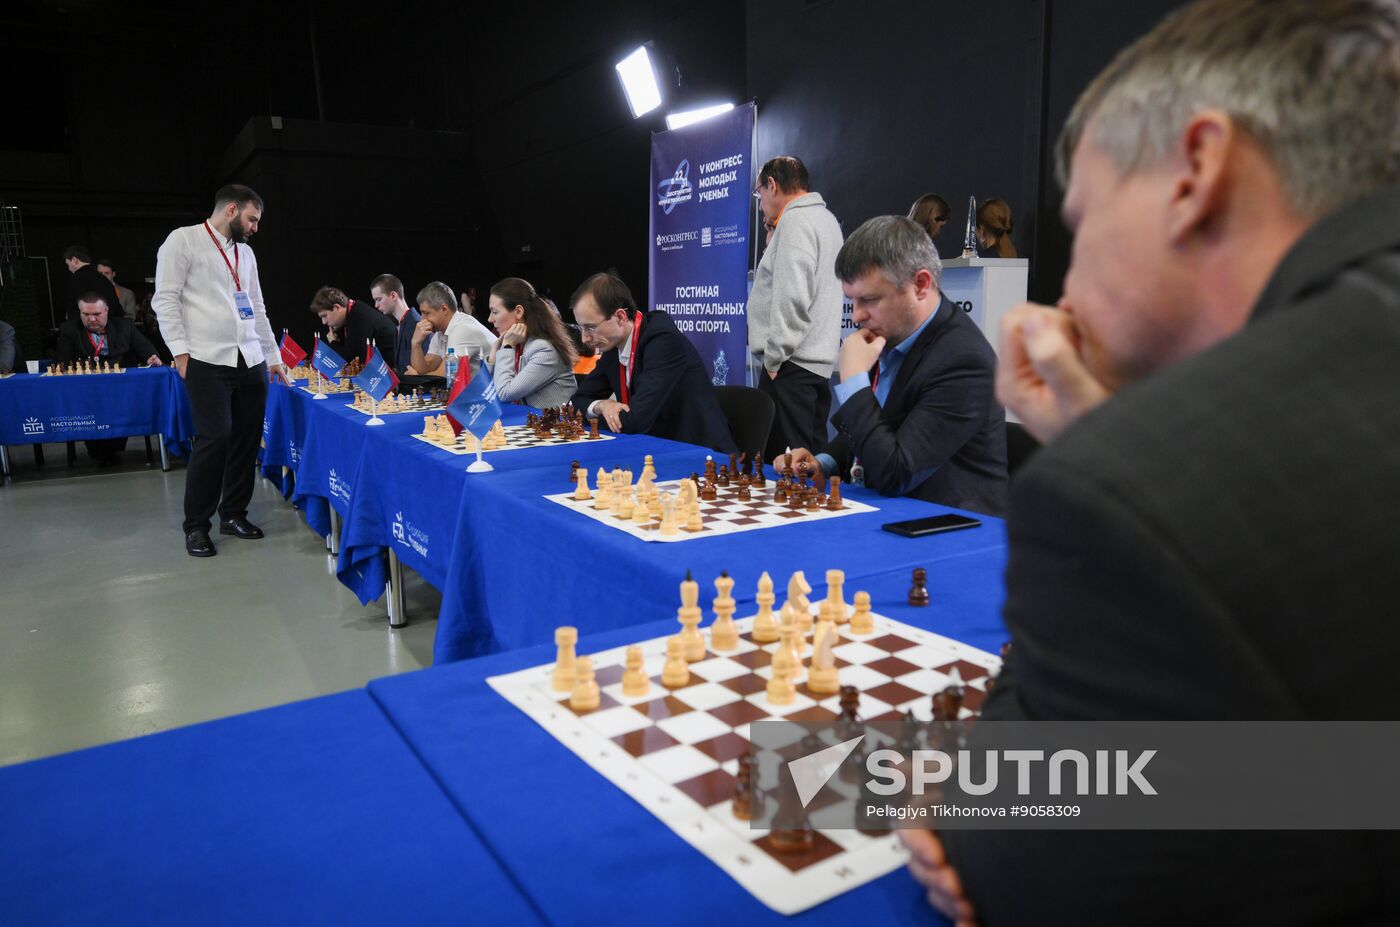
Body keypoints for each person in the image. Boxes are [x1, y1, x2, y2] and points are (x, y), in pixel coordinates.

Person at [906, 1, 1400, 924]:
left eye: (1083, 221)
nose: (1066, 286)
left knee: (800, 774)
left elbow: (1018, 862)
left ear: (1195, 173)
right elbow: (1365, 774)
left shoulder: (1149, 483)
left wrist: (1103, 451)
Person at [775, 217, 1007, 514]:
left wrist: (853, 381)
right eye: (852, 300)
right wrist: (823, 463)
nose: (856, 315)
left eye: (869, 300)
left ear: (920, 285)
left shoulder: (964, 362)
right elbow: (874, 430)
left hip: (947, 528)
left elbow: (895, 473)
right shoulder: (893, 333)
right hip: (891, 516)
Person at [152, 183, 289, 558]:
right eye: (252, 219)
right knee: (214, 439)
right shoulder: (183, 241)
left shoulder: (246, 253)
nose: (255, 227)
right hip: (206, 359)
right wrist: (180, 352)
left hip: (250, 359)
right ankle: (197, 525)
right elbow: (165, 300)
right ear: (231, 209)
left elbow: (256, 306)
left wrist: (272, 356)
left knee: (247, 439)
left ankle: (233, 514)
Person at [746, 155, 845, 460]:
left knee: (783, 470)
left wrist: (774, 361)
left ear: (772, 185)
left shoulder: (795, 221)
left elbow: (792, 297)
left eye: (759, 193)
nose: (760, 204)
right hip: (814, 366)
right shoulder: (826, 220)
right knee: (809, 464)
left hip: (790, 366)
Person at [569, 272, 735, 452]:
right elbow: (576, 402)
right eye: (581, 328)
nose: (584, 338)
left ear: (620, 317)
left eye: (590, 327)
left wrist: (606, 417)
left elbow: (636, 421)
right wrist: (602, 406)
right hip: (658, 448)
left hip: (701, 453)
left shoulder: (663, 342)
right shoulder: (612, 347)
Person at [485, 277, 577, 408]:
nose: (490, 319)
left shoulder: (544, 350)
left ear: (518, 311)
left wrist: (507, 347)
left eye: (495, 312)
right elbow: (485, 392)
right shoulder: (515, 343)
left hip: (549, 420)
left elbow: (504, 393)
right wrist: (493, 355)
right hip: (522, 417)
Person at [405, 281, 494, 377]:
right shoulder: (440, 332)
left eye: (426, 313)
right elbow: (426, 367)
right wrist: (416, 343)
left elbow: (444, 377)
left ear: (444, 309)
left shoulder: (462, 329)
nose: (422, 319)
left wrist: (417, 377)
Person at [55, 293, 162, 368]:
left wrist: (152, 358)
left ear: (106, 310)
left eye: (97, 314)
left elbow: (146, 349)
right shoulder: (69, 329)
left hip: (122, 381)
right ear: (80, 312)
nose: (92, 319)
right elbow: (62, 363)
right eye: (86, 314)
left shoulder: (125, 326)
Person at [310, 285, 397, 367]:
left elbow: (354, 361)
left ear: (337, 307)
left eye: (324, 316)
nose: (324, 322)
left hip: (390, 371)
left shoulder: (358, 317)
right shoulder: (353, 311)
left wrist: (333, 342)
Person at [369, 273, 421, 376]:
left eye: (379, 299)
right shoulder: (400, 324)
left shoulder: (416, 324)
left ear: (393, 295)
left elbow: (422, 370)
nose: (376, 305)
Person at [62, 245, 124, 321]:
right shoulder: (102, 278)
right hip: (112, 324)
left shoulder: (77, 278)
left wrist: (70, 317)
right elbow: (117, 309)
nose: (69, 269)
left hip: (91, 325)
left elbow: (75, 308)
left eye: (68, 264)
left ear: (75, 260)